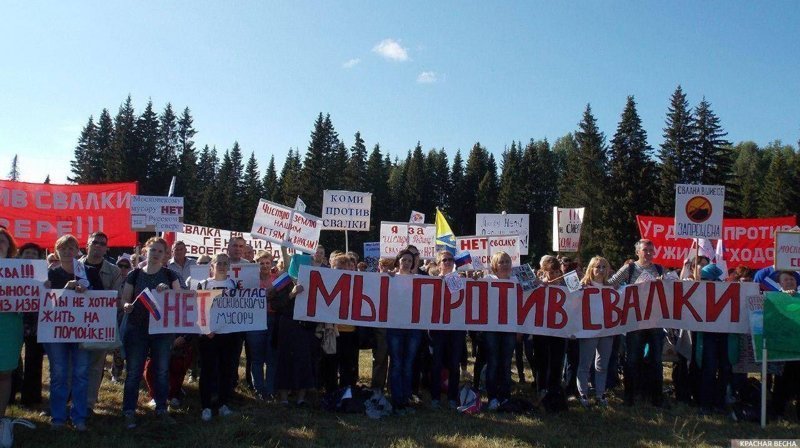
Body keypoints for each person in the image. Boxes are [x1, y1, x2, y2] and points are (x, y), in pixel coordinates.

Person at [121, 237, 181, 429]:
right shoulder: (134, 274)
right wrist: (126, 306)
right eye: (152, 250)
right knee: (133, 372)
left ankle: (161, 409)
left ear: (165, 255)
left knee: (162, 371)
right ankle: (129, 411)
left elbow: (179, 299)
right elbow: (124, 300)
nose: (155, 254)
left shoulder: (171, 275)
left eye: (159, 251)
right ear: (146, 251)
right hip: (137, 329)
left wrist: (169, 291)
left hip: (162, 331)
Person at [45, 234, 103, 431]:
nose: (68, 252)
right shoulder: (50, 274)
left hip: (82, 331)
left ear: (78, 251)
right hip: (56, 333)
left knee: (81, 373)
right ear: (56, 252)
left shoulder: (90, 273)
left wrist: (88, 291)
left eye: (72, 248)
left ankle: (79, 417)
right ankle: (58, 418)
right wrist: (63, 290)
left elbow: (102, 299)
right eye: (64, 249)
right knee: (59, 374)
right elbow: (45, 304)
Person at [608, 239, 667, 407]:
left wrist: (664, 283)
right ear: (637, 252)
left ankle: (656, 397)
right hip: (635, 322)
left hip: (655, 322)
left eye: (650, 250)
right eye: (645, 250)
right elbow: (611, 284)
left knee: (656, 360)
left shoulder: (659, 269)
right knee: (632, 359)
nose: (648, 253)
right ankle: (630, 396)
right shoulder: (630, 268)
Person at [79, 231, 124, 414]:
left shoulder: (114, 271)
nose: (97, 246)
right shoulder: (75, 267)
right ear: (87, 245)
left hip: (100, 323)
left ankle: (88, 404)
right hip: (75, 322)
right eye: (94, 242)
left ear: (106, 249)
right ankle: (71, 399)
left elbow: (116, 298)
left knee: (96, 365)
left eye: (101, 243)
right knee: (74, 363)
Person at [195, 254, 239, 421]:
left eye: (225, 263)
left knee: (226, 370)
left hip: (228, 335)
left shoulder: (233, 285)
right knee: (207, 370)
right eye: (218, 263)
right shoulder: (204, 284)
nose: (221, 266)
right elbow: (198, 310)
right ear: (212, 266)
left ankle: (223, 404)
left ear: (229, 267)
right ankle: (206, 406)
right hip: (208, 336)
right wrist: (206, 329)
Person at [386, 249, 424, 415]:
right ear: (398, 261)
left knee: (408, 364)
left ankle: (406, 399)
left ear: (413, 263)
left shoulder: (419, 280)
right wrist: (385, 276)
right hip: (394, 327)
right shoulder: (390, 278)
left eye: (410, 260)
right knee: (396, 363)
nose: (407, 263)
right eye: (404, 260)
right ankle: (396, 401)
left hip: (413, 328)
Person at [576, 256, 615, 408]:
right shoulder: (583, 285)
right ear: (590, 269)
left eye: (603, 267)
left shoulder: (611, 287)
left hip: (606, 330)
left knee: (602, 365)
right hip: (588, 330)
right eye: (597, 267)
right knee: (585, 364)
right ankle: (583, 393)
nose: (600, 270)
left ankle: (600, 393)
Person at [429, 251, 465, 409]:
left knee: (454, 363)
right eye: (445, 260)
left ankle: (452, 397)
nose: (448, 262)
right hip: (438, 328)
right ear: (438, 264)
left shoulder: (461, 280)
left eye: (451, 260)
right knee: (436, 363)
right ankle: (435, 397)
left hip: (456, 328)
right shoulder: (431, 282)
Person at [482, 252, 517, 411]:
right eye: (501, 262)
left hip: (510, 328)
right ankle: (492, 397)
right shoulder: (487, 280)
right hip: (492, 329)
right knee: (493, 362)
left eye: (507, 261)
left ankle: (505, 396)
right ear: (495, 265)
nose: (505, 264)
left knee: (506, 363)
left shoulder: (517, 281)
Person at [534, 255, 568, 412]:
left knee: (557, 361)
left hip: (559, 330)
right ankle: (542, 390)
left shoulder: (566, 286)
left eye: (556, 272)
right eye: (551, 272)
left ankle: (554, 390)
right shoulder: (538, 286)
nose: (554, 276)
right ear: (543, 271)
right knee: (542, 361)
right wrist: (540, 285)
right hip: (541, 329)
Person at [15, 243, 45, 408]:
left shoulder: (44, 273)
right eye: (27, 252)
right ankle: (11, 394)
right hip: (15, 321)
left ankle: (31, 397)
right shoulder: (10, 272)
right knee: (12, 360)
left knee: (34, 360)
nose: (30, 255)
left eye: (34, 253)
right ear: (20, 255)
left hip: (36, 323)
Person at [246, 250, 279, 400]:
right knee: (257, 358)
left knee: (272, 357)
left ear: (272, 264)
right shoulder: (250, 279)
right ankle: (259, 389)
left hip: (273, 319)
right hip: (255, 320)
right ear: (256, 264)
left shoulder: (277, 278)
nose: (265, 266)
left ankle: (270, 389)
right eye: (262, 263)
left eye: (267, 263)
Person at [0, 228, 23, 423]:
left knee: (5, 372)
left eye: (3, 241)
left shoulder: (21, 269)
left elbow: (32, 296)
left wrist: (43, 286)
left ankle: (1, 416)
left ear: (9, 246)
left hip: (9, 326)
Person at [770, 270, 800, 419]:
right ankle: (778, 411)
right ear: (780, 283)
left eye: (792, 279)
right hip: (781, 350)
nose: (789, 282)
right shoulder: (773, 298)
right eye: (786, 280)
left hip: (798, 348)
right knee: (781, 381)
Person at [370, 258, 395, 397]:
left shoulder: (398, 279)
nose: (386, 268)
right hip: (380, 324)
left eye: (389, 265)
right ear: (379, 265)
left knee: (395, 359)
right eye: (383, 265)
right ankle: (377, 387)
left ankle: (392, 388)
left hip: (396, 323)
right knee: (380, 357)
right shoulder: (372, 279)